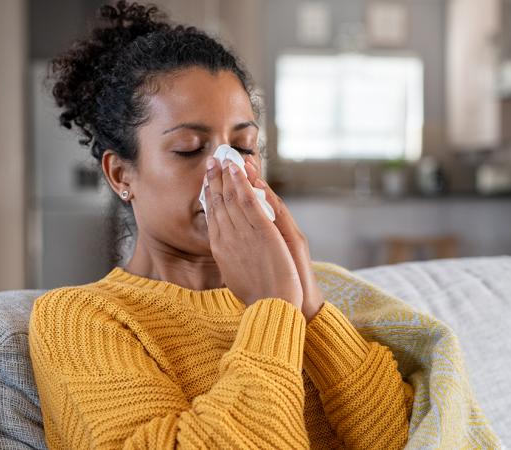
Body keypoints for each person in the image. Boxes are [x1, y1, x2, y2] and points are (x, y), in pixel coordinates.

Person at [28, 2, 413, 448]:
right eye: (190, 148)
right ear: (121, 175)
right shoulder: (81, 320)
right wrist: (274, 311)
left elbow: (402, 439)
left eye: (245, 147)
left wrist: (311, 309)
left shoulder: (299, 293)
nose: (228, 170)